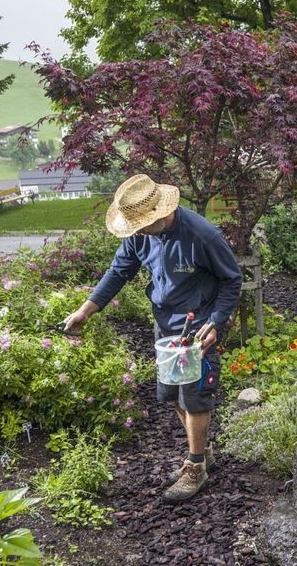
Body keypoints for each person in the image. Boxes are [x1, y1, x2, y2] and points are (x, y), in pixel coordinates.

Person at [64, 174, 242, 503]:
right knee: (172, 393)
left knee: (194, 396)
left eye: (141, 226)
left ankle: (196, 467)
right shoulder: (140, 235)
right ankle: (203, 452)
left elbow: (232, 279)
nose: (136, 232)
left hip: (198, 326)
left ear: (161, 214)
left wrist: (217, 322)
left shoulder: (202, 235)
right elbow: (119, 270)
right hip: (165, 323)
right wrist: (85, 311)